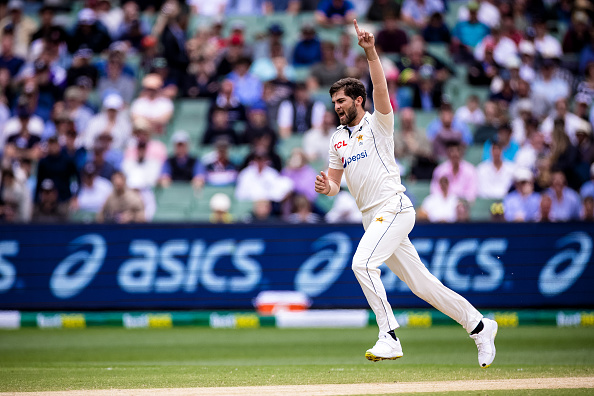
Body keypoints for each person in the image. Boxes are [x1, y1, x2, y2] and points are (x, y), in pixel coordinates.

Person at [314, 20, 497, 367]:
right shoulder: (337, 138)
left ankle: (389, 337)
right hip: (373, 217)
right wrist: (328, 186)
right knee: (422, 285)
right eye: (334, 102)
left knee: (362, 264)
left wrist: (370, 53)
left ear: (357, 100)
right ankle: (480, 326)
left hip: (394, 207)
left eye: (342, 101)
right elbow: (336, 183)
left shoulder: (378, 122)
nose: (337, 107)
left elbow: (381, 88)